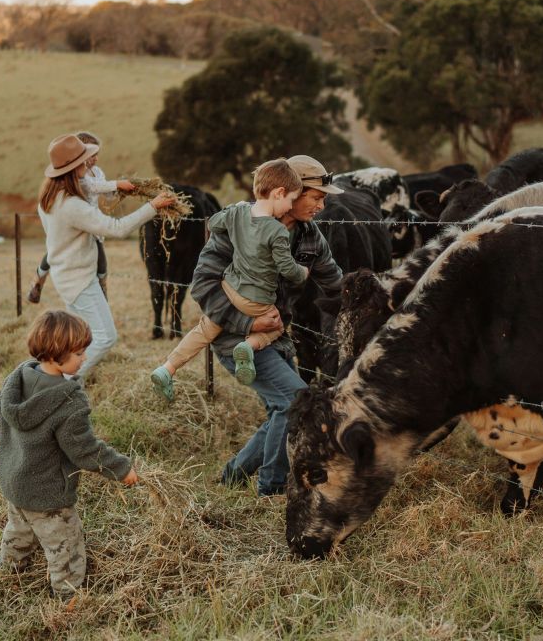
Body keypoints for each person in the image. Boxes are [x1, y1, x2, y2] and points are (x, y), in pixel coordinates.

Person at [190, 155, 344, 497]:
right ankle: (272, 488)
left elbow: (335, 282)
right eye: (317, 197)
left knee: (283, 406)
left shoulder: (310, 238)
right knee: (294, 400)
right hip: (234, 337)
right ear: (290, 191)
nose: (322, 206)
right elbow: (202, 285)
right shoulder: (240, 225)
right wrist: (248, 320)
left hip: (276, 339)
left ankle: (234, 476)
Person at [0, 310, 137, 594]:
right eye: (79, 353)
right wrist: (120, 468)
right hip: (49, 493)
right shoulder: (68, 401)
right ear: (56, 356)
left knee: (19, 528)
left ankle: (7, 569)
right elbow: (84, 449)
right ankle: (69, 594)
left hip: (15, 482)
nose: (84, 359)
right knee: (65, 545)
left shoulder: (18, 377)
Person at [150, 159, 308, 399]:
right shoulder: (277, 231)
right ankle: (247, 347)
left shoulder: (238, 212)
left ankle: (167, 368)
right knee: (275, 325)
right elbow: (287, 269)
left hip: (230, 289)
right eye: (290, 200)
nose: (289, 207)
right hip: (256, 301)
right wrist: (303, 272)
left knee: (204, 330)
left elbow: (213, 224)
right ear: (279, 193)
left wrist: (235, 212)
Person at [36, 133, 174, 378]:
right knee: (105, 337)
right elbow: (116, 228)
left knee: (79, 338)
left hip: (67, 275)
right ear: (73, 167)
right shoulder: (72, 206)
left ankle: (63, 382)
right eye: (84, 160)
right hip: (78, 279)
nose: (88, 163)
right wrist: (153, 207)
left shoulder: (49, 198)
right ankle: (65, 382)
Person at [28, 131, 136, 303]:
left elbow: (106, 193)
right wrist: (116, 184)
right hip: (76, 221)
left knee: (101, 262)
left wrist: (120, 192)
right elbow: (92, 187)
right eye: (92, 155)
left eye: (97, 155)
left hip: (91, 221)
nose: (96, 159)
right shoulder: (79, 176)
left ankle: (102, 291)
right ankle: (38, 280)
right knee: (54, 253)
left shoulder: (97, 172)